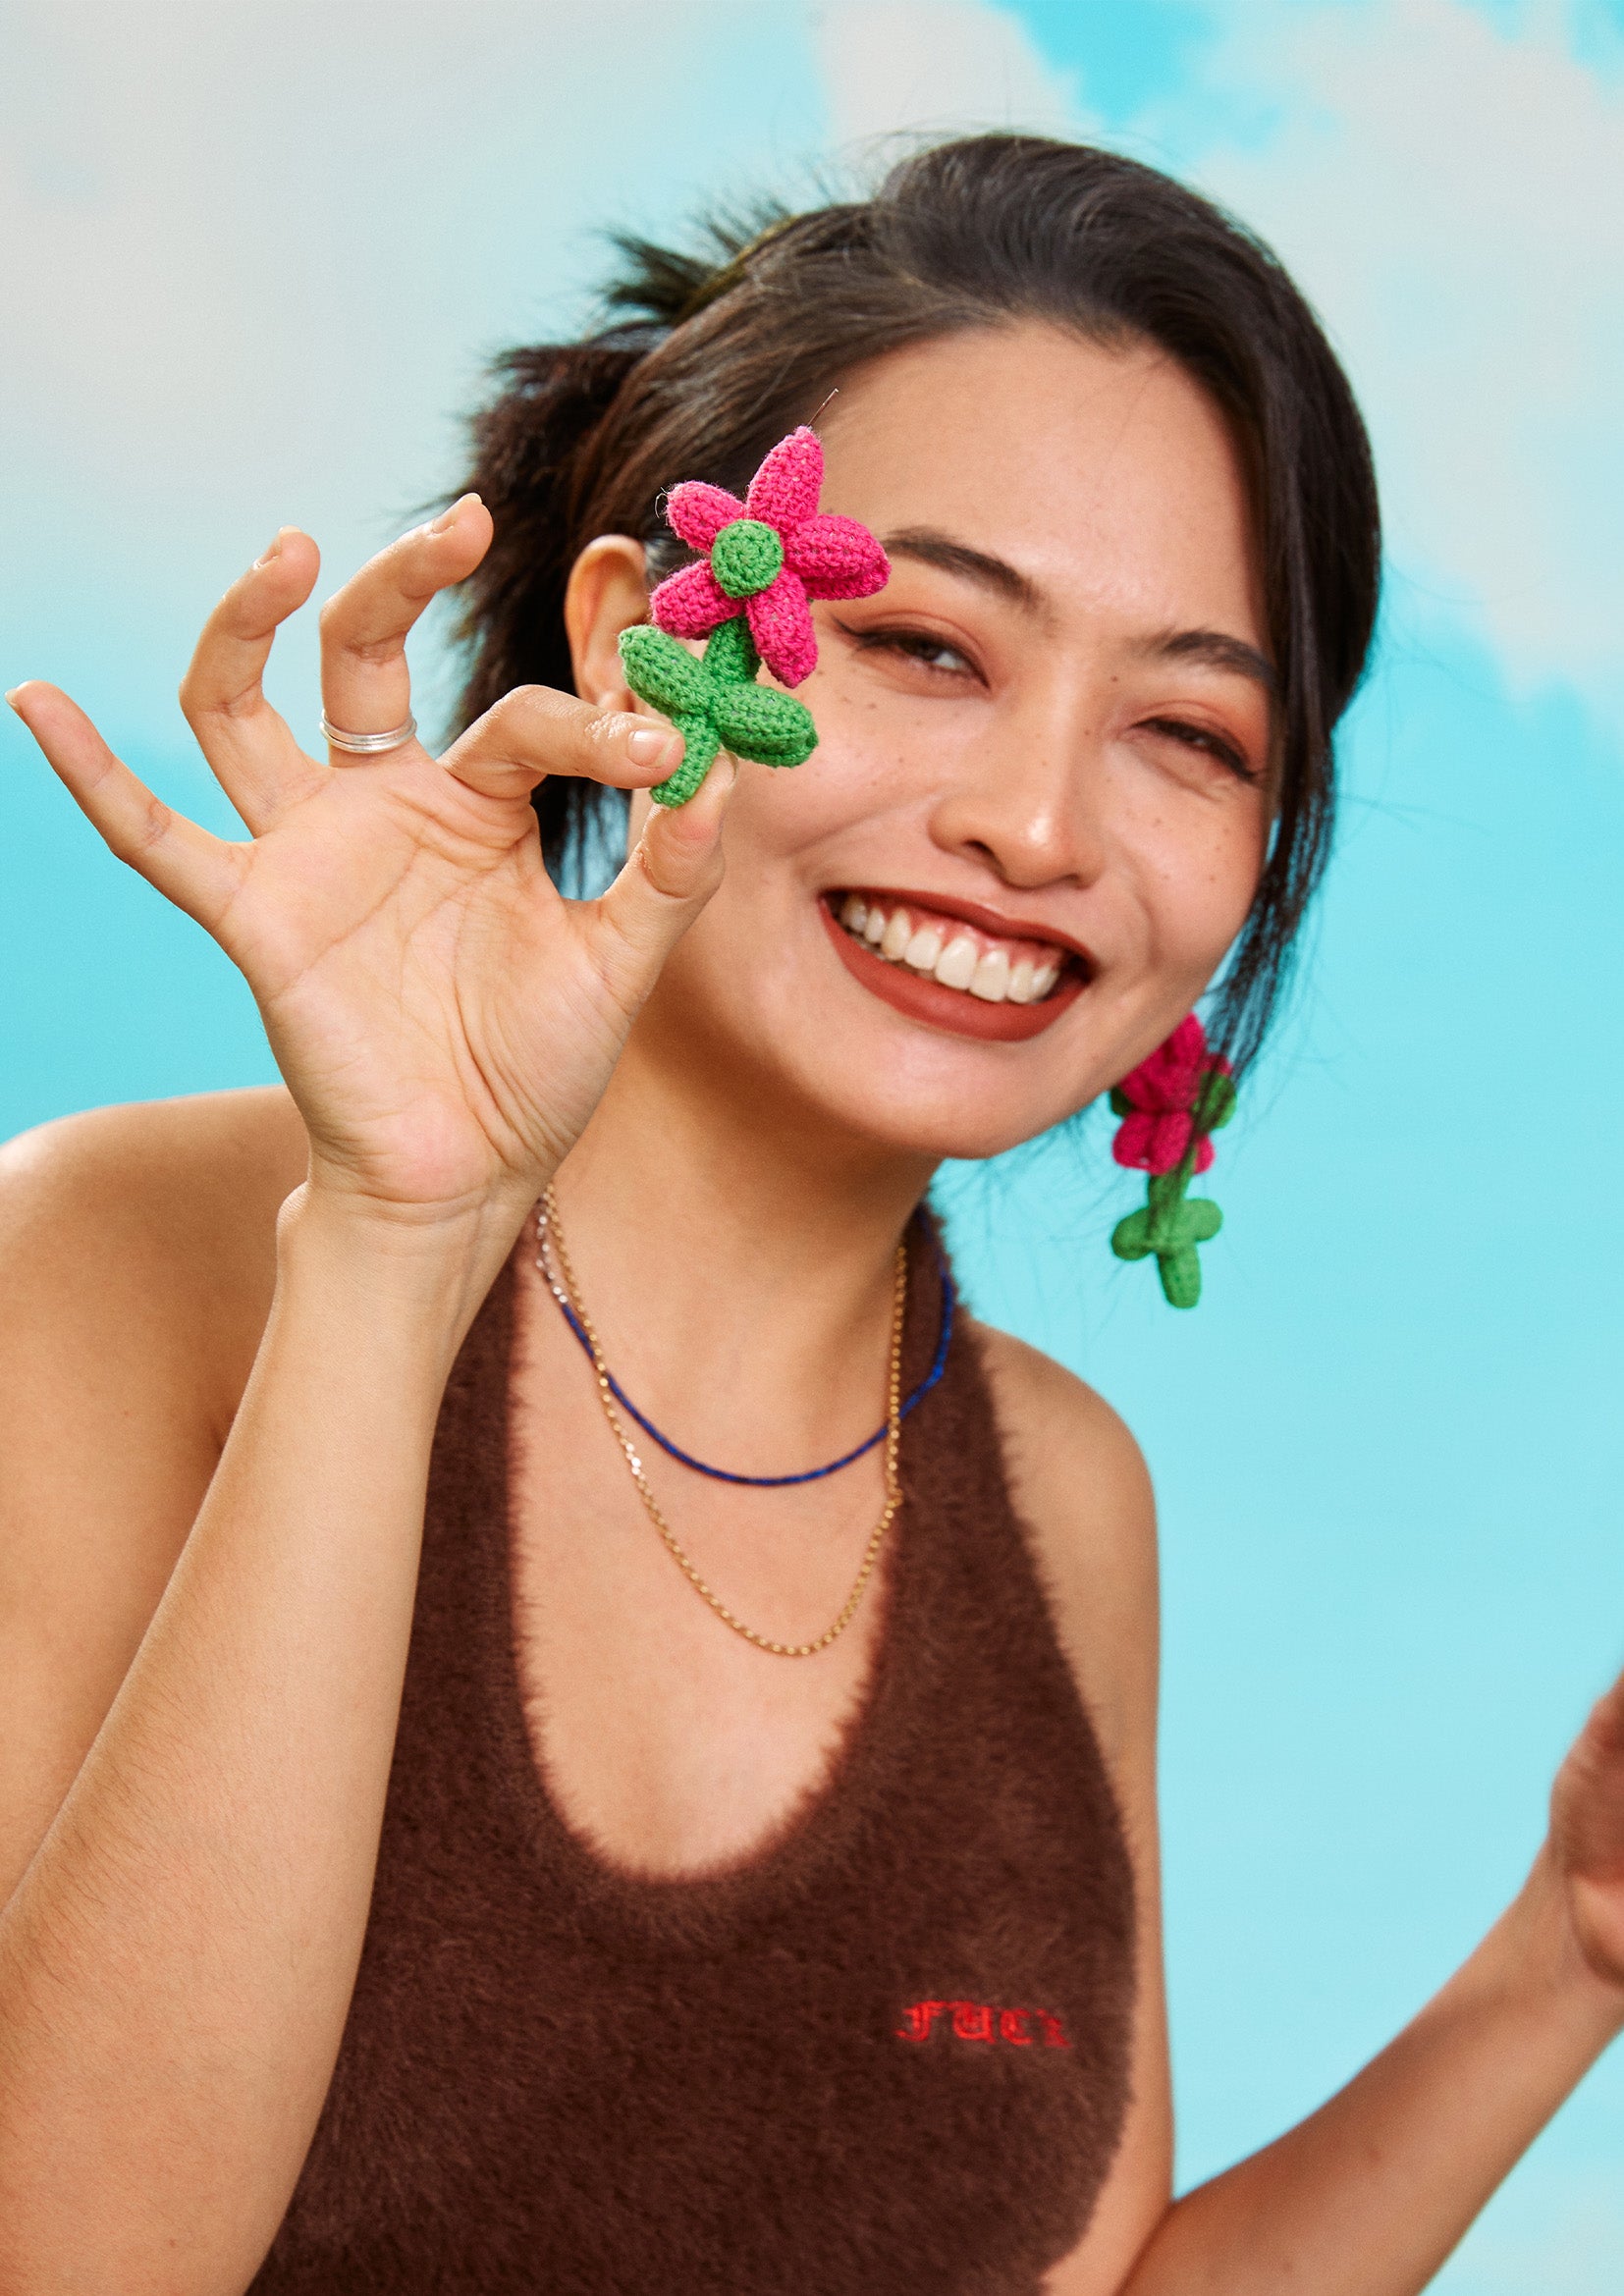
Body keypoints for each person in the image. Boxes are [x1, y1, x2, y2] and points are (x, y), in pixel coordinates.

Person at [0, 133, 1619, 2296]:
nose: (1033, 825)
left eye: (1184, 731)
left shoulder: (1059, 1500)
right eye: (925, 645)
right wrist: (395, 1250)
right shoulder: (109, 1260)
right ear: (631, 640)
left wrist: (1563, 1957)